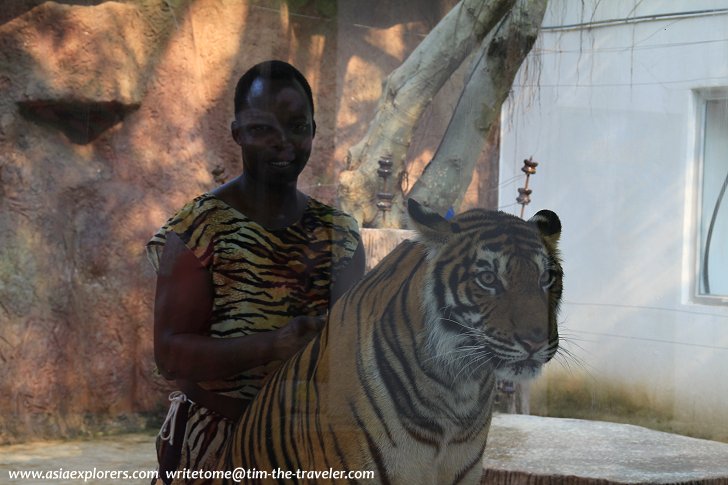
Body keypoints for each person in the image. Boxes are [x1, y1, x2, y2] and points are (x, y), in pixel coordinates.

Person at [145, 60, 366, 482]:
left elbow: (350, 352)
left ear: (314, 131)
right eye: (264, 128)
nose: (283, 142)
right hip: (217, 449)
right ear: (238, 133)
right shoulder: (200, 227)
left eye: (297, 126)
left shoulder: (340, 234)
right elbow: (169, 355)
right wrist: (273, 345)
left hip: (310, 450)